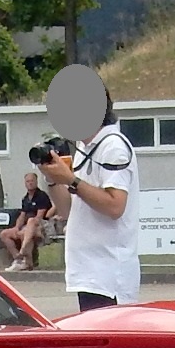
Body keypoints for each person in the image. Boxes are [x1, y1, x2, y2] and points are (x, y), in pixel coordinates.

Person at [34, 89, 140, 310]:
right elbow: (69, 210)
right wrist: (53, 180)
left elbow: (115, 206)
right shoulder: (85, 147)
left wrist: (72, 180)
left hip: (109, 276)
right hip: (89, 272)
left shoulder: (113, 146)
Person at [0, 172, 54, 271]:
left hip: (41, 225)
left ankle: (27, 260)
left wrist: (25, 229)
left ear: (36, 182)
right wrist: (16, 227)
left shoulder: (42, 196)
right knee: (4, 234)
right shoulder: (25, 199)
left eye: (32, 181)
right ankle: (18, 258)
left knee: (29, 224)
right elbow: (22, 215)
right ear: (25, 183)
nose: (30, 183)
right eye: (28, 181)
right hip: (26, 226)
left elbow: (39, 217)